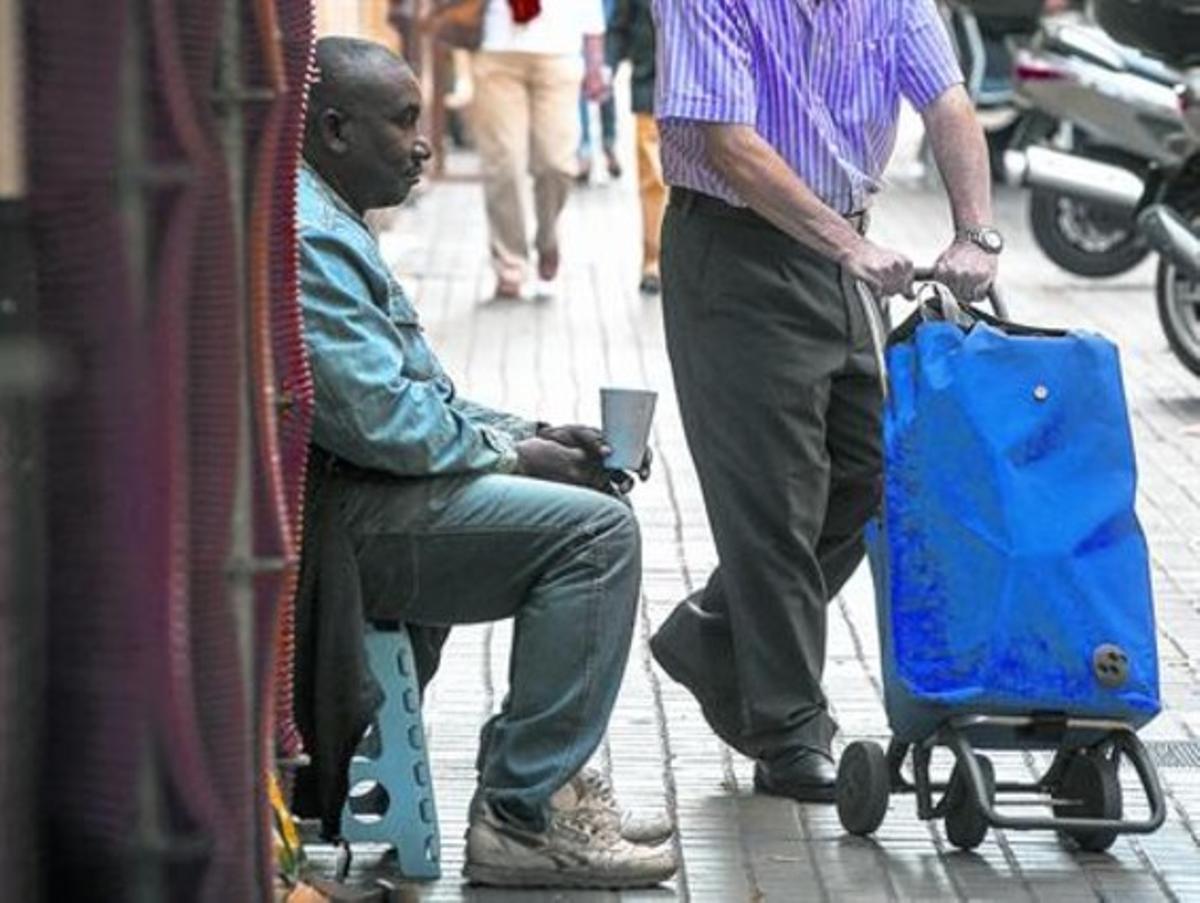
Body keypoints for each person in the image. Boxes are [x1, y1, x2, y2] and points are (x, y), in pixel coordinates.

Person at [298, 36, 677, 888]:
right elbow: (386, 422)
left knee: (581, 504)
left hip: (367, 496)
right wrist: (516, 451)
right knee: (595, 537)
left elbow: (417, 401)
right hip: (346, 522)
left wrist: (536, 433)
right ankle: (521, 812)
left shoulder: (330, 221)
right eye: (402, 123)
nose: (422, 142)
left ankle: (550, 784)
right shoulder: (311, 237)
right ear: (332, 131)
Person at [648, 0, 1003, 803]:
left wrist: (975, 231)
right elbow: (727, 143)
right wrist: (850, 247)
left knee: (876, 478)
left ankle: (715, 637)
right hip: (738, 250)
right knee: (776, 499)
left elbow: (946, 99)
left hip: (843, 252)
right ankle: (788, 728)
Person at [471, 0, 609, 299]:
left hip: (559, 53)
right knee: (503, 164)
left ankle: (547, 236)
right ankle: (510, 264)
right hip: (496, 51)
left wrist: (596, 63)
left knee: (556, 164)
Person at [606, 0, 665, 294]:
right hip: (650, 90)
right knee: (653, 179)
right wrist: (607, 67)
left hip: (707, 99)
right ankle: (654, 260)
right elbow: (620, 24)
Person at [577, 0, 621, 183]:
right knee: (580, 90)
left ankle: (608, 145)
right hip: (578, 30)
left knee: (604, 85)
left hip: (606, 33)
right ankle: (584, 150)